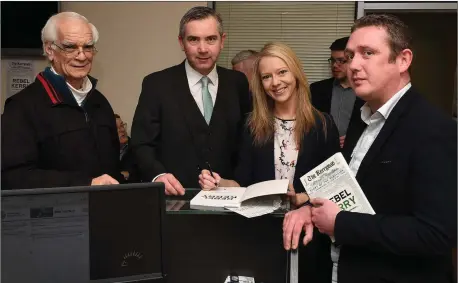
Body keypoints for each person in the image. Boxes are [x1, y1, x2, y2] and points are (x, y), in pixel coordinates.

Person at [284, 14, 457, 283]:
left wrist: (340, 223)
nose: (354, 65)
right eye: (351, 55)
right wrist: (313, 209)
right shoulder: (362, 116)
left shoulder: (434, 129)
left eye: (368, 53)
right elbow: (356, 190)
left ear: (403, 60)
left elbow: (436, 233)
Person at [199, 42, 340, 283]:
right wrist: (218, 181)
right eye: (266, 77)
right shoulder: (252, 127)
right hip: (262, 236)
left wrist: (303, 198)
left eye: (282, 72)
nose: (275, 82)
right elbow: (243, 183)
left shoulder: (323, 125)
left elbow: (336, 185)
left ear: (295, 73)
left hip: (310, 238)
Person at [131, 6, 251, 195]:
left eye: (211, 39)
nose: (203, 49)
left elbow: (248, 141)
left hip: (230, 202)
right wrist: (158, 175)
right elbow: (141, 143)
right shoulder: (157, 84)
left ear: (222, 41)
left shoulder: (238, 83)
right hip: (176, 201)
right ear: (181, 42)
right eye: (193, 39)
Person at [1, 12, 121, 190]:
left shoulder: (100, 102)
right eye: (70, 47)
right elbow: (13, 177)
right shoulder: (22, 107)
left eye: (88, 47)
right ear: (50, 50)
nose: (82, 56)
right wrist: (86, 184)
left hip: (104, 212)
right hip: (53, 215)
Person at [310, 37, 364, 148]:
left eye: (341, 61)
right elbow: (310, 124)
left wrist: (353, 139)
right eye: (333, 60)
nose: (335, 65)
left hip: (353, 153)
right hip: (322, 152)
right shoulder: (316, 89)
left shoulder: (366, 91)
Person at [115, 114, 140, 183]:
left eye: (122, 125)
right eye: (117, 128)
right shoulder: (106, 152)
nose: (122, 130)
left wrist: (128, 174)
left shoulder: (136, 147)